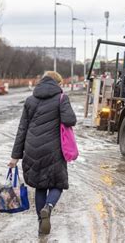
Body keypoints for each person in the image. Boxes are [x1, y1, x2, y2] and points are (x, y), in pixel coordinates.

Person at [8, 71, 77, 236]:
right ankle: (49, 207)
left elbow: (21, 130)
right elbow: (70, 120)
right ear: (57, 83)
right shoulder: (61, 98)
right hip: (53, 149)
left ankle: (41, 223)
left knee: (40, 187)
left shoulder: (30, 100)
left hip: (32, 149)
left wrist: (15, 157)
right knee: (57, 184)